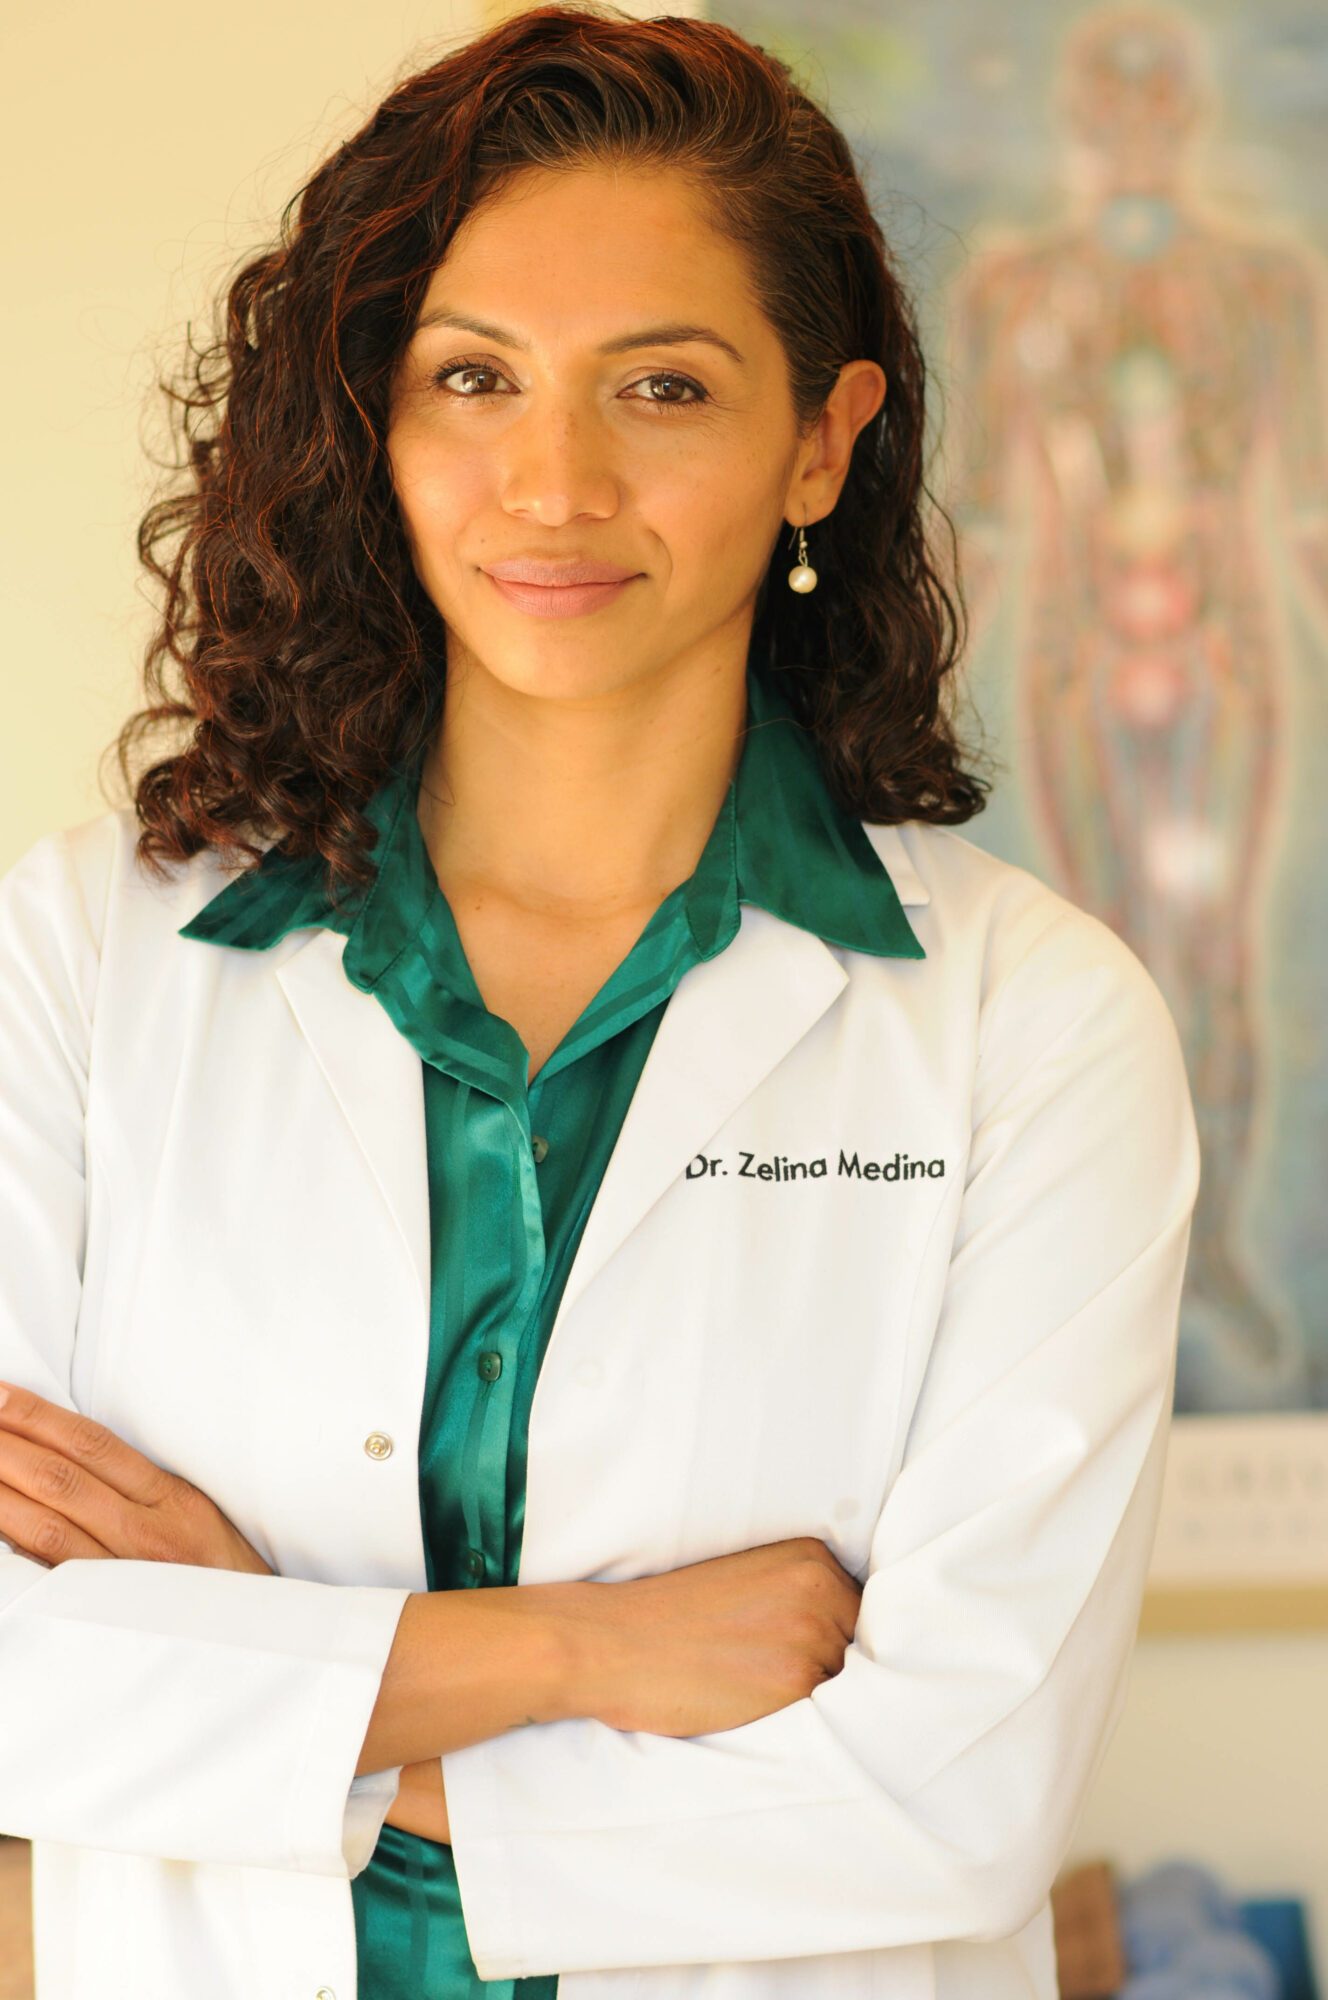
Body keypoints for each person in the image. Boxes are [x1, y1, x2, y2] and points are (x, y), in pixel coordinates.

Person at [0, 8, 1198, 1999]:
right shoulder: (81, 961)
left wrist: (275, 1680)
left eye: (661, 385)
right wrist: (578, 1652)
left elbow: (953, 1796)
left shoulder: (1032, 1030)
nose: (551, 478)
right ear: (373, 423)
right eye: (471, 376)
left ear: (820, 437)